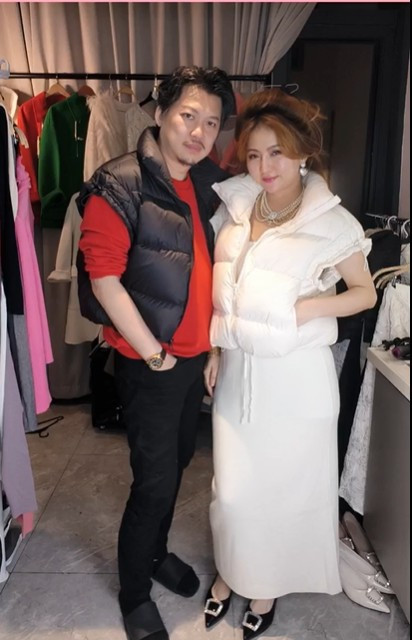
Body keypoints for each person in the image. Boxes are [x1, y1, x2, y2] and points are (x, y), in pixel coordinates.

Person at [203, 88, 377, 640]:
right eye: (254, 154)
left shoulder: (332, 221)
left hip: (296, 379)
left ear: (302, 152)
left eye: (276, 152)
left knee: (282, 490)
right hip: (238, 375)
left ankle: (266, 583)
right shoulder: (234, 209)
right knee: (233, 491)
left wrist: (306, 307)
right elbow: (223, 293)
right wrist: (215, 349)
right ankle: (233, 568)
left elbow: (365, 293)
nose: (265, 166)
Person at [77, 66, 235, 640]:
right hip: (153, 364)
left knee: (179, 464)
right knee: (153, 481)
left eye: (211, 122)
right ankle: (134, 593)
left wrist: (211, 347)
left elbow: (212, 270)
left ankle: (155, 552)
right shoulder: (119, 182)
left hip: (192, 359)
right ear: (161, 112)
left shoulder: (209, 182)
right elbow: (104, 281)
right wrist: (153, 355)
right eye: (188, 116)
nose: (199, 132)